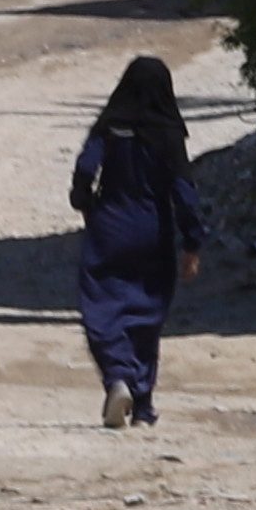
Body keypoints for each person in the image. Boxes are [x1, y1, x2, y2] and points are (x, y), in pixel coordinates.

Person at [69, 54, 200, 432]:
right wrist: (192, 241)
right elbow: (183, 190)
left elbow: (84, 169)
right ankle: (142, 406)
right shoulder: (169, 134)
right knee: (147, 313)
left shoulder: (111, 127)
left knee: (102, 306)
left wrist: (85, 204)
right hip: (153, 229)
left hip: (109, 226)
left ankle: (118, 378)